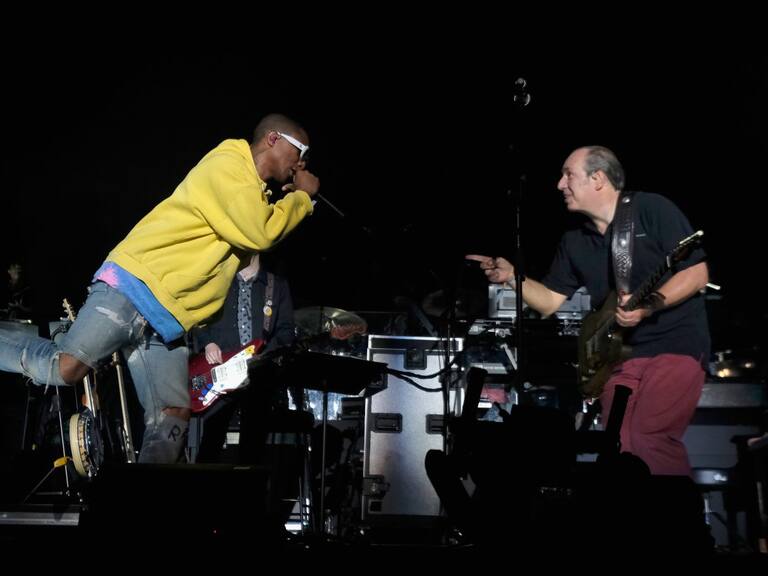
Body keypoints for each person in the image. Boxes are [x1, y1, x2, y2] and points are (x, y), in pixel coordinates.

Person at [0, 113, 319, 464]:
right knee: (66, 369)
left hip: (167, 319)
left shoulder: (251, 194)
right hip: (134, 288)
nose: (301, 162)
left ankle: (148, 495)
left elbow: (251, 236)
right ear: (273, 139)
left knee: (173, 416)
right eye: (300, 150)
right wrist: (302, 199)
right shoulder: (229, 163)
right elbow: (260, 232)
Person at [467, 145, 710, 477]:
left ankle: (675, 510)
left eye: (568, 175)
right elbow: (550, 301)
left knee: (649, 437)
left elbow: (697, 274)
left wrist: (649, 305)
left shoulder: (651, 209)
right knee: (618, 444)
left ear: (598, 178)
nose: (559, 184)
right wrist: (511, 277)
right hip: (619, 357)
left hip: (675, 346)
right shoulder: (575, 241)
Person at [193, 251, 297, 464]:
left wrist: (270, 352)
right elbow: (197, 317)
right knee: (212, 439)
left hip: (258, 373)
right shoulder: (218, 280)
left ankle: (249, 485)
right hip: (221, 371)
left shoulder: (276, 285)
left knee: (253, 444)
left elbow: (286, 330)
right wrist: (208, 342)